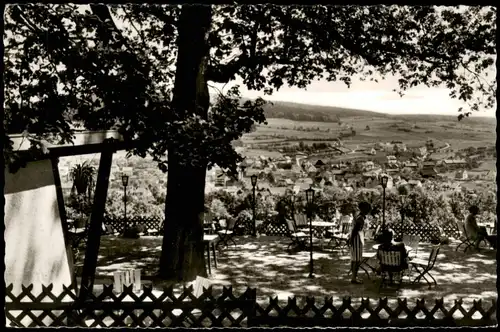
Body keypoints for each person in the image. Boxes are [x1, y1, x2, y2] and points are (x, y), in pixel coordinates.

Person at [348, 201, 371, 284]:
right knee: (357, 260)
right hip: (356, 240)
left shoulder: (359, 216)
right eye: (368, 208)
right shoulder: (360, 218)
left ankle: (354, 276)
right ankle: (354, 278)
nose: (369, 210)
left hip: (356, 239)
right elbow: (355, 230)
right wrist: (351, 240)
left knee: (354, 259)